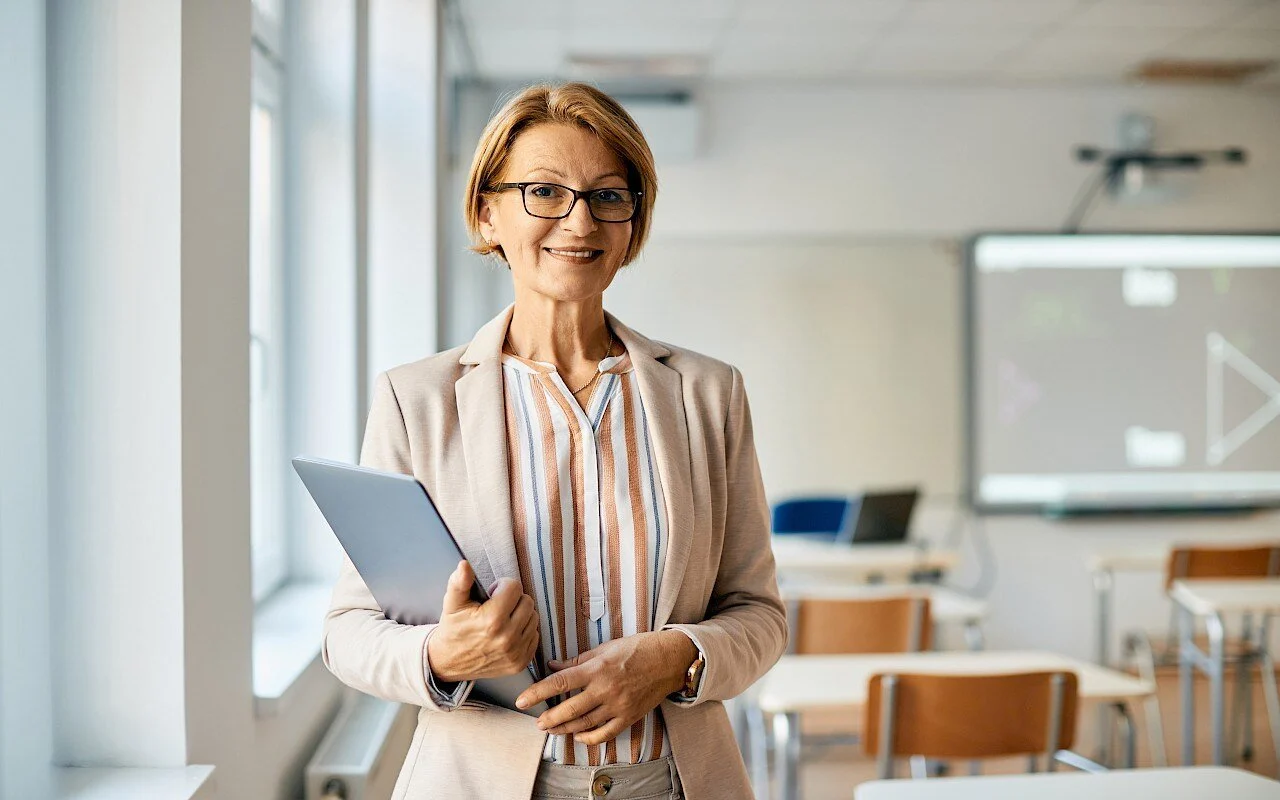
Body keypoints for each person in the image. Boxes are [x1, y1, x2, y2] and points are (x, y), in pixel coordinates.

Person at [322, 82, 786, 800]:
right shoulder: (416, 399)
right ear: (488, 212)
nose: (579, 220)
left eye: (608, 195)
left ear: (633, 221)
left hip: (674, 781)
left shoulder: (707, 394)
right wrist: (443, 654)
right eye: (544, 191)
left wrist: (678, 656)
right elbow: (350, 632)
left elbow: (759, 614)